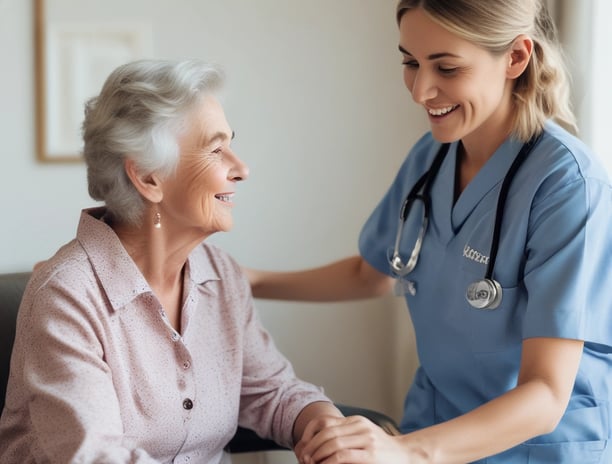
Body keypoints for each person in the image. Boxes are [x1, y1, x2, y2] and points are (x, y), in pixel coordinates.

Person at [247, 1, 612, 463]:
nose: (421, 91)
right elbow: (372, 272)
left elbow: (546, 394)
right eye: (410, 62)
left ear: (516, 59)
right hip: (433, 427)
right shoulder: (432, 158)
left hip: (530, 448)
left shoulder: (568, 185)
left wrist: (405, 452)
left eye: (447, 67)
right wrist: (248, 281)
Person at [0, 59, 343, 463]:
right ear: (148, 177)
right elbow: (96, 456)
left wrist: (326, 428)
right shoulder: (66, 297)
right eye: (217, 150)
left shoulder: (221, 277)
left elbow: (271, 391)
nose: (242, 169)